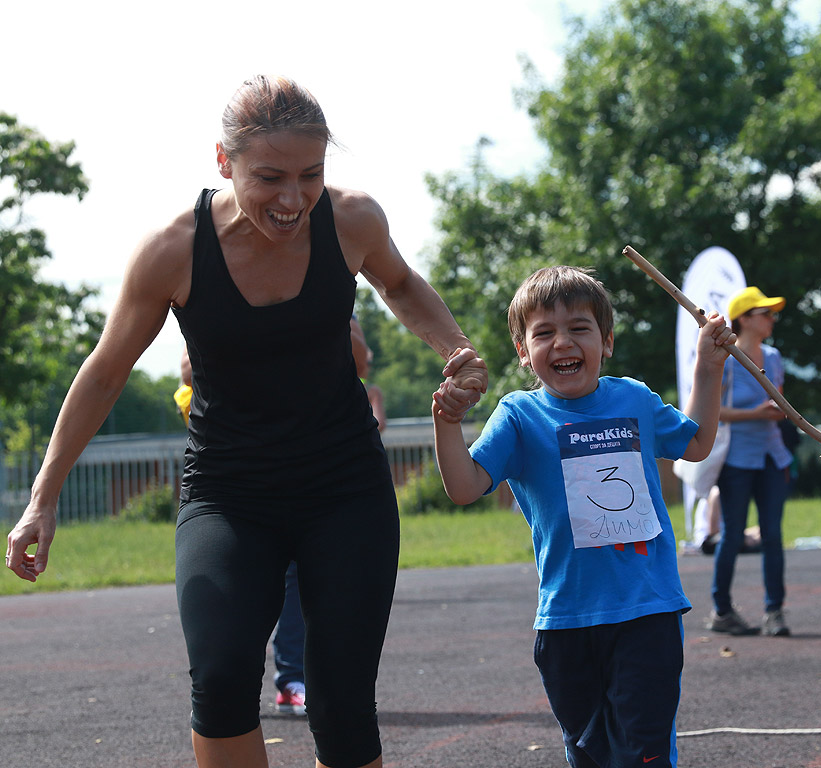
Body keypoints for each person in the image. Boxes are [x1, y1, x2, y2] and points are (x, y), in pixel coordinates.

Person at [5, 75, 486, 768]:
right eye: (270, 178)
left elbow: (400, 283)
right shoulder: (172, 249)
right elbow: (106, 371)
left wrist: (457, 349)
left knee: (340, 698)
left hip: (344, 485)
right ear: (224, 163)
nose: (293, 200)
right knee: (224, 675)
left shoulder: (352, 221)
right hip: (230, 492)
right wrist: (42, 500)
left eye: (310, 176)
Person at [431, 265, 735, 768]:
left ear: (607, 341)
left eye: (579, 328)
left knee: (645, 750)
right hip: (567, 620)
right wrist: (447, 423)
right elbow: (464, 487)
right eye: (544, 333)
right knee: (589, 752)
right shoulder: (518, 416)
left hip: (647, 609)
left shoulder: (634, 398)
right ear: (524, 353)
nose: (563, 342)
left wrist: (709, 365)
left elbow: (698, 443)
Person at [272, 314, 388, 717]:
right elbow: (187, 367)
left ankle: (300, 680)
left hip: (332, 478)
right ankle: (257, 679)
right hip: (253, 475)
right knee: (260, 586)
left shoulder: (333, 299)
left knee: (310, 582)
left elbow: (360, 363)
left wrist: (337, 310)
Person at [707, 286, 793, 637]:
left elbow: (780, 403)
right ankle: (722, 610)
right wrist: (755, 414)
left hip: (773, 457)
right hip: (737, 460)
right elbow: (714, 412)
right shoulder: (725, 359)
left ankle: (775, 611)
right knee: (731, 536)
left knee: (773, 534)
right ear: (745, 319)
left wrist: (779, 412)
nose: (772, 319)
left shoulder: (773, 358)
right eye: (765, 313)